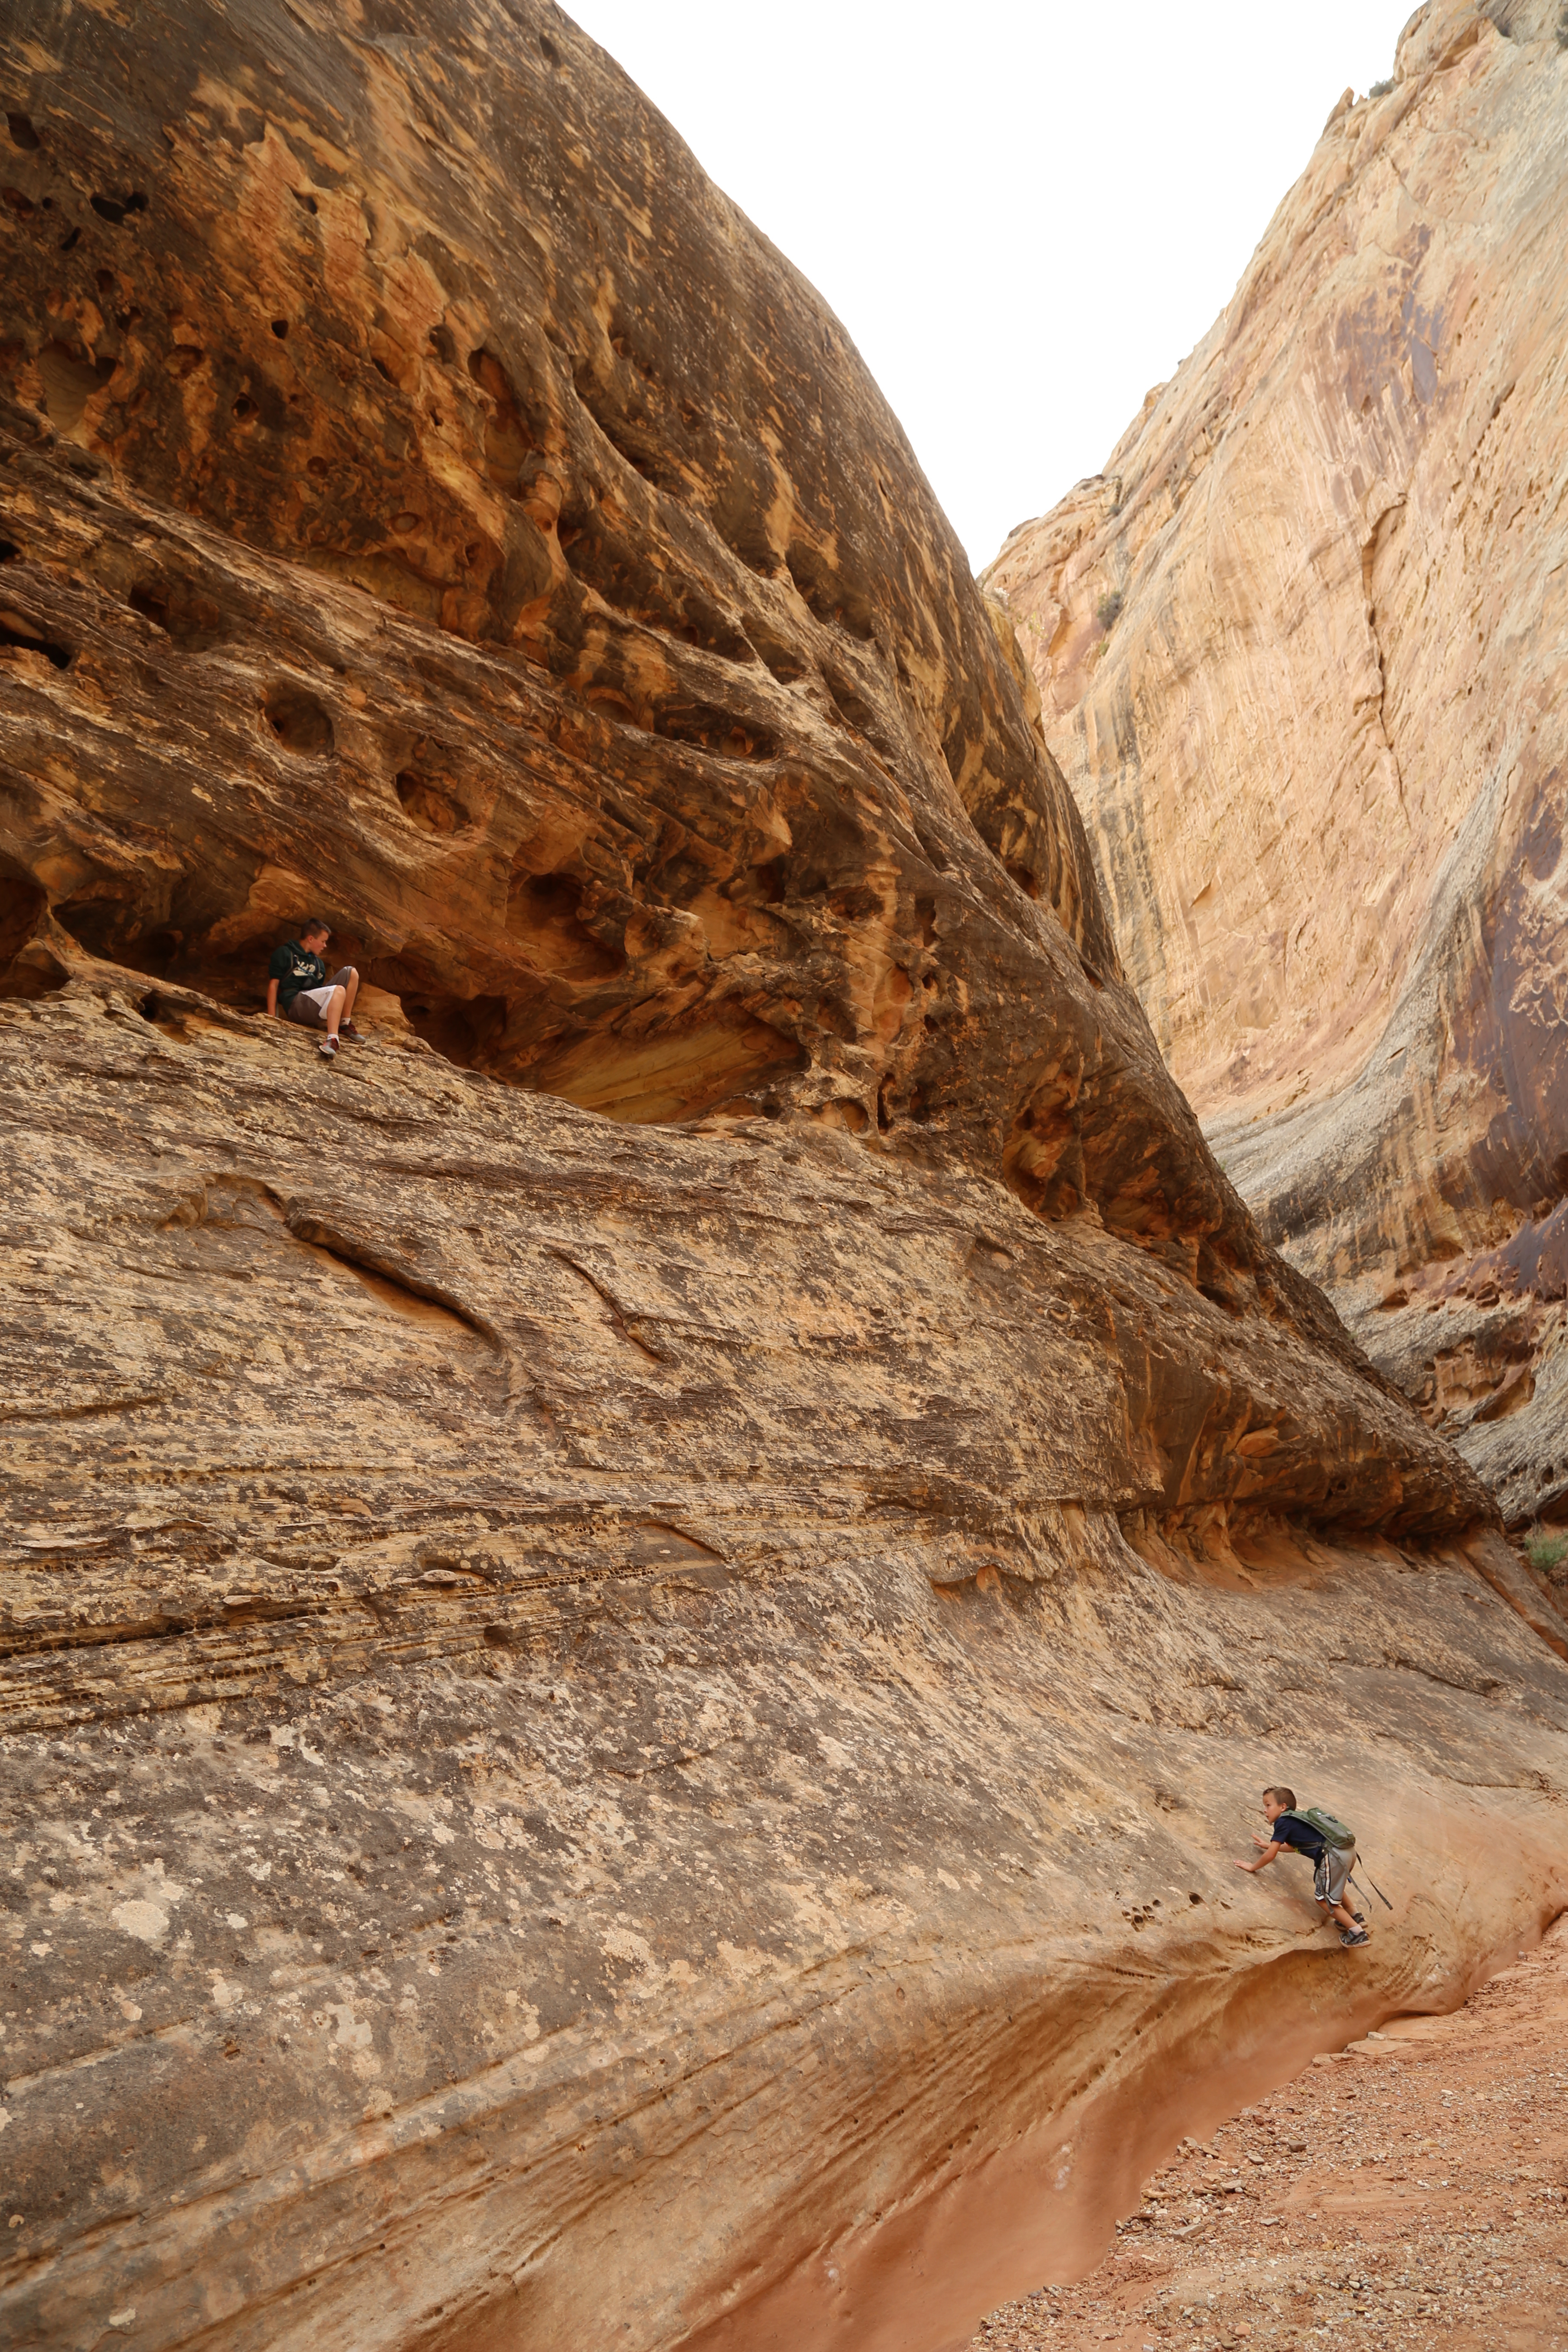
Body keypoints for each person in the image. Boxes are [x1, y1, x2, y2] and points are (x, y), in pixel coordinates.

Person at [1234, 1784, 1369, 1948]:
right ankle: (1354, 1916)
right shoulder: (1297, 1819)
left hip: (1333, 1856)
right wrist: (1267, 1846)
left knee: (1324, 1900)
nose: (1265, 1810)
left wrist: (1252, 1867)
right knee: (1332, 1886)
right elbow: (1294, 1847)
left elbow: (1271, 1855)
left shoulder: (1283, 1822)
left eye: (1268, 1805)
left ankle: (1357, 1933)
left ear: (1283, 1807)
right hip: (1347, 1852)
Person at [265, 918, 362, 1058]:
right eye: (323, 941)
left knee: (351, 972)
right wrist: (271, 1019)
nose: (325, 946)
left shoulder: (319, 965)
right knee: (339, 990)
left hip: (310, 1004)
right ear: (311, 939)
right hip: (295, 1005)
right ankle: (333, 1039)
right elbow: (274, 985)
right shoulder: (285, 953)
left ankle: (345, 1023)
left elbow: (318, 991)